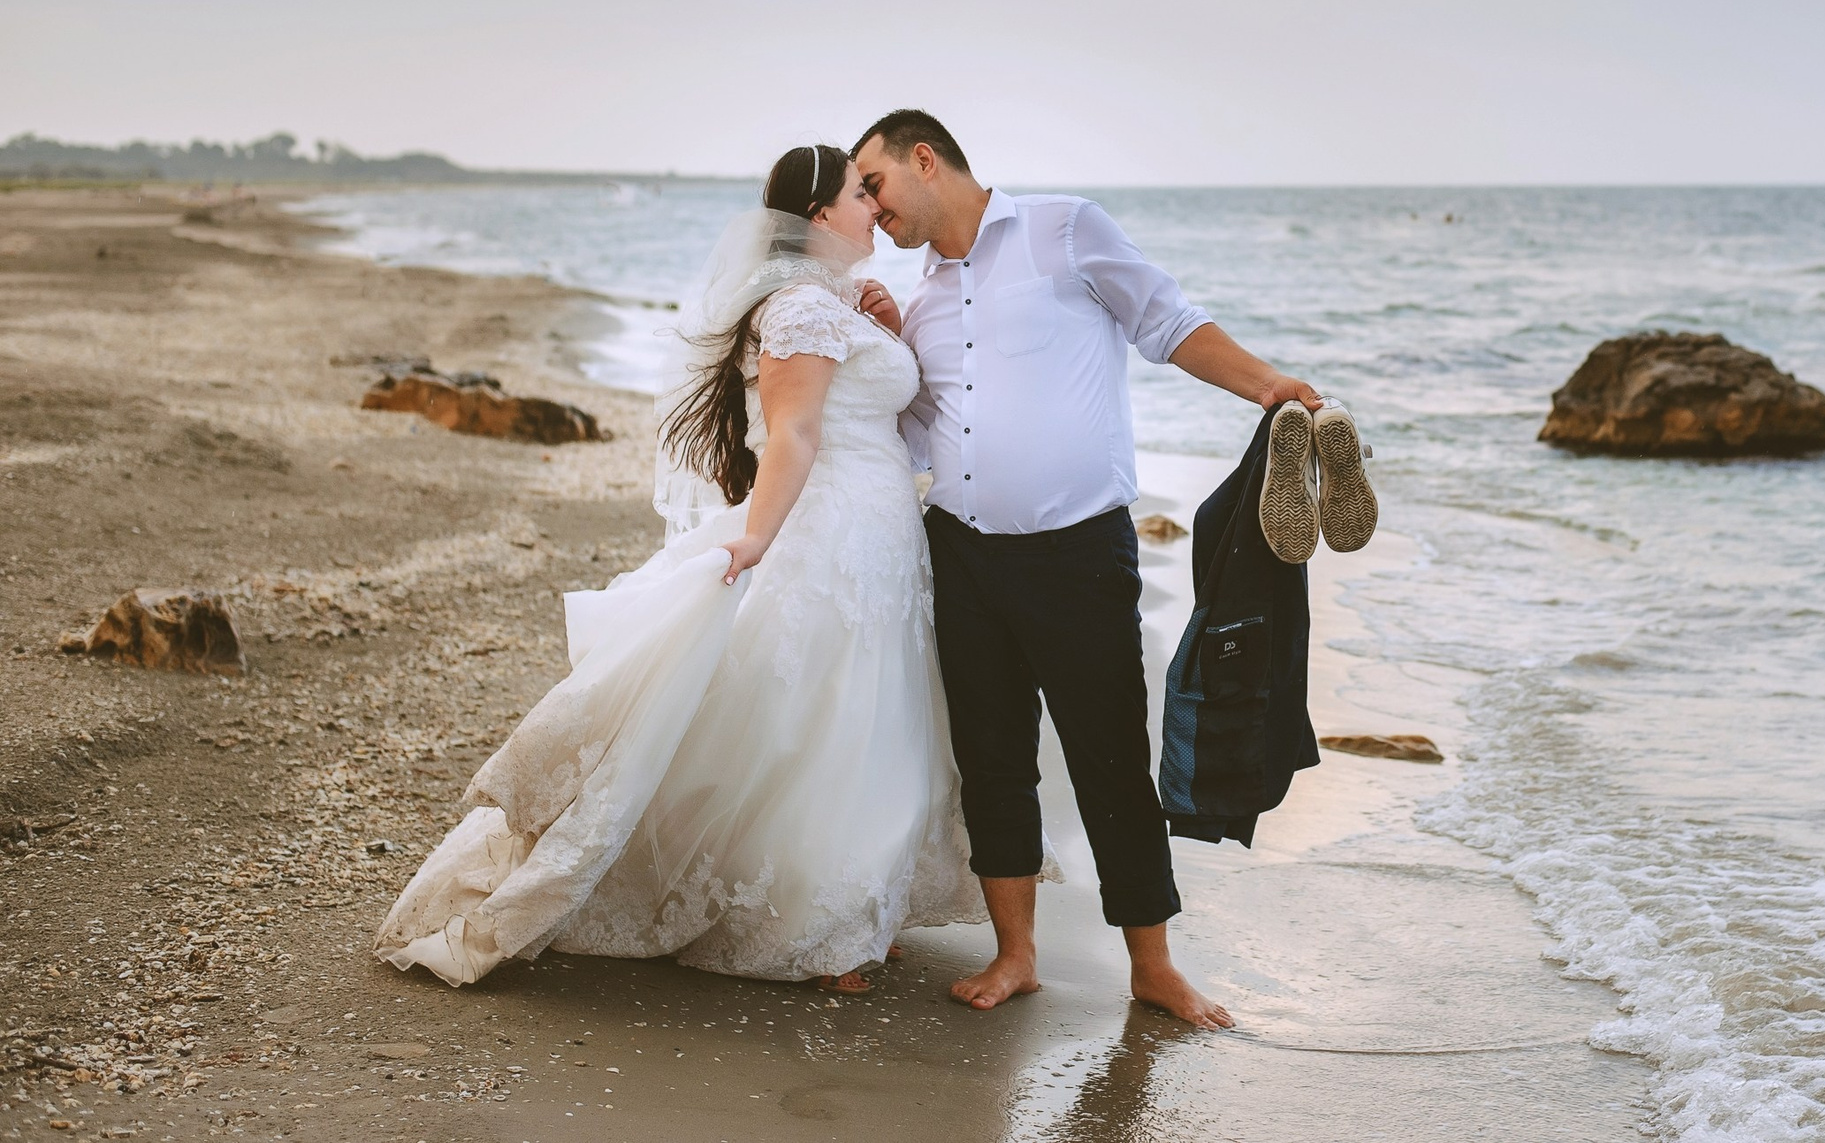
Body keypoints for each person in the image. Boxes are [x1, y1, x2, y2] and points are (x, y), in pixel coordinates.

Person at [373, 145, 977, 991]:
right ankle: (813, 927)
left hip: (884, 531)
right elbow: (795, 434)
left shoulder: (836, 303)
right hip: (832, 525)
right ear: (819, 218)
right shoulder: (801, 308)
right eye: (858, 192)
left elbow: (886, 407)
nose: (874, 206)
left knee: (873, 717)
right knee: (823, 717)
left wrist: (888, 327)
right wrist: (759, 538)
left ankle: (855, 908)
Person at [851, 109, 1324, 1029]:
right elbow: (918, 431)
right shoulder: (921, 298)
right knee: (991, 763)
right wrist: (879, 348)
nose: (870, 209)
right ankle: (1015, 954)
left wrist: (1268, 384)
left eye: (874, 185)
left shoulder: (1064, 228)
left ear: (923, 159)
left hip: (1077, 554)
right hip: (962, 554)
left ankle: (1154, 967)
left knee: (1110, 761)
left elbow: (1168, 319)